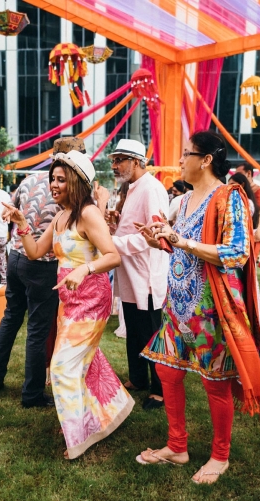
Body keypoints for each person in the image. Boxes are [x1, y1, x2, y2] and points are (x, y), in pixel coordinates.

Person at [133, 130, 260, 484]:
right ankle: (177, 446)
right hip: (178, 306)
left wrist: (183, 241)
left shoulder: (229, 198)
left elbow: (237, 252)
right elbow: (183, 248)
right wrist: (163, 241)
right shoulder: (182, 201)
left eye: (186, 154)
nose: (180, 160)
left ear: (207, 159)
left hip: (211, 308)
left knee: (216, 383)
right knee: (167, 373)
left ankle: (220, 456)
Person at [3, 150, 132, 460]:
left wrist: (84, 268)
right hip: (68, 301)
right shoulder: (61, 215)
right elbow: (34, 252)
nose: (54, 184)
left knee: (61, 367)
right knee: (83, 364)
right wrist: (22, 222)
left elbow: (113, 256)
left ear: (76, 182)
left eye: (61, 179)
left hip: (91, 300)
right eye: (52, 179)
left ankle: (79, 438)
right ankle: (112, 410)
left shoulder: (89, 214)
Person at [0, 137, 84, 407]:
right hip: (42, 262)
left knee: (10, 318)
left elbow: (12, 210)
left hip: (16, 256)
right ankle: (31, 394)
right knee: (38, 330)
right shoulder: (70, 188)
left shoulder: (29, 179)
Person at [106, 139, 169, 410]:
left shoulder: (152, 188)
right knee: (133, 331)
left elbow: (153, 236)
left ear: (137, 161)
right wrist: (115, 226)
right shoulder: (131, 188)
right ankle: (137, 378)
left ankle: (160, 388)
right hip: (129, 274)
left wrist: (112, 243)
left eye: (120, 159)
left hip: (146, 276)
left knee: (150, 334)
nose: (115, 165)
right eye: (114, 160)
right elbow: (133, 229)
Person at [235, 162, 260, 257]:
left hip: (256, 235)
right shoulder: (239, 190)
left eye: (240, 174)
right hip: (242, 234)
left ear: (249, 173)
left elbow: (252, 211)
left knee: (250, 265)